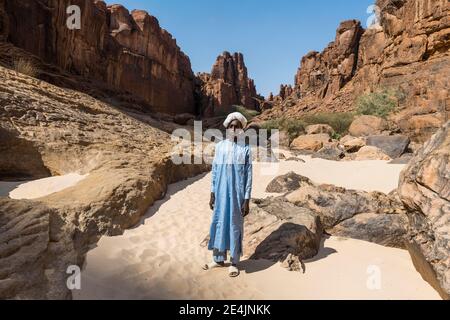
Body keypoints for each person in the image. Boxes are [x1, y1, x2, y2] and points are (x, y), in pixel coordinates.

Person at [202, 112, 253, 277]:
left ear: (241, 129)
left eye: (237, 126)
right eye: (231, 126)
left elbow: (249, 175)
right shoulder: (220, 146)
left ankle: (234, 262)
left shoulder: (245, 149)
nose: (234, 128)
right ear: (227, 127)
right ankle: (217, 259)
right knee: (219, 223)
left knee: (235, 226)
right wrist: (212, 192)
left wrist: (247, 199)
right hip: (220, 193)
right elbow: (215, 171)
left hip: (237, 195)